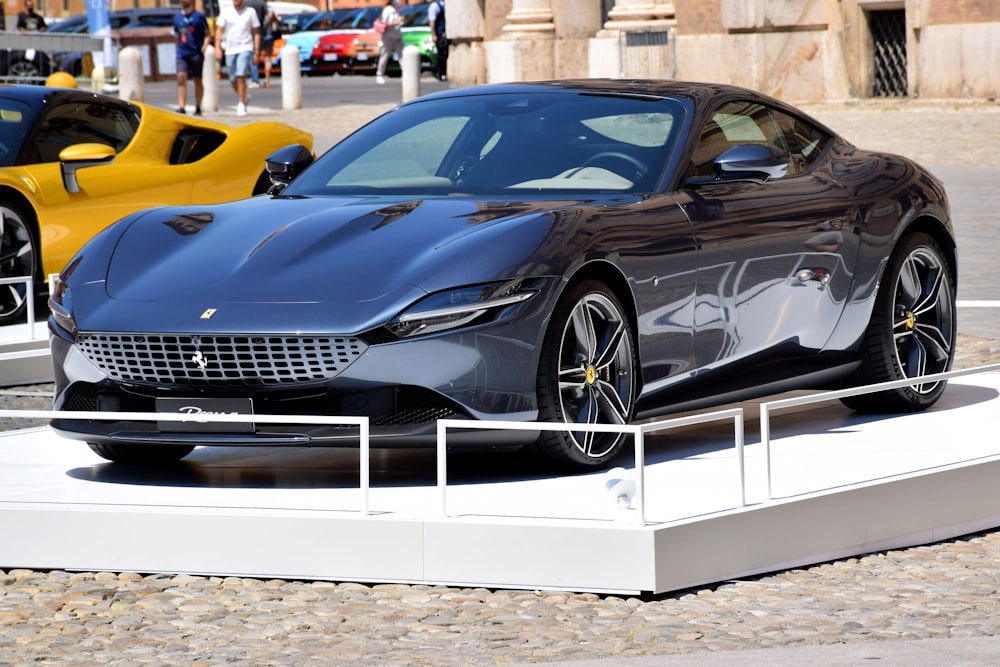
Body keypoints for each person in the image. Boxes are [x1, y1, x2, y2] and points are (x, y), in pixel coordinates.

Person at [215, 0, 260, 117]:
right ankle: (244, 96)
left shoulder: (250, 12)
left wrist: (257, 51)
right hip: (230, 48)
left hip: (246, 46)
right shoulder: (226, 12)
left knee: (241, 74)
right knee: (232, 77)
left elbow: (256, 32)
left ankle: (240, 104)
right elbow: (219, 30)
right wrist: (217, 47)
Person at [173, 0, 210, 115]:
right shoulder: (177, 17)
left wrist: (204, 46)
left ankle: (198, 107)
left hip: (196, 53)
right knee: (181, 77)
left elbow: (208, 33)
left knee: (197, 80)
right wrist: (177, 48)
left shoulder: (199, 16)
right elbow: (176, 34)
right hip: (182, 53)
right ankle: (181, 106)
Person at [375, 0, 403, 85]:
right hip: (389, 36)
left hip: (397, 36)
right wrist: (397, 22)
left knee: (402, 56)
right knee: (385, 55)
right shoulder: (388, 10)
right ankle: (379, 74)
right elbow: (385, 23)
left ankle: (407, 74)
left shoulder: (394, 9)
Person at [428, 0, 447, 82]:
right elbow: (432, 21)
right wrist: (434, 34)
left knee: (445, 53)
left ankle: (444, 72)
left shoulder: (444, 4)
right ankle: (440, 72)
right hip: (440, 33)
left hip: (445, 33)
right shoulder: (434, 6)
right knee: (441, 54)